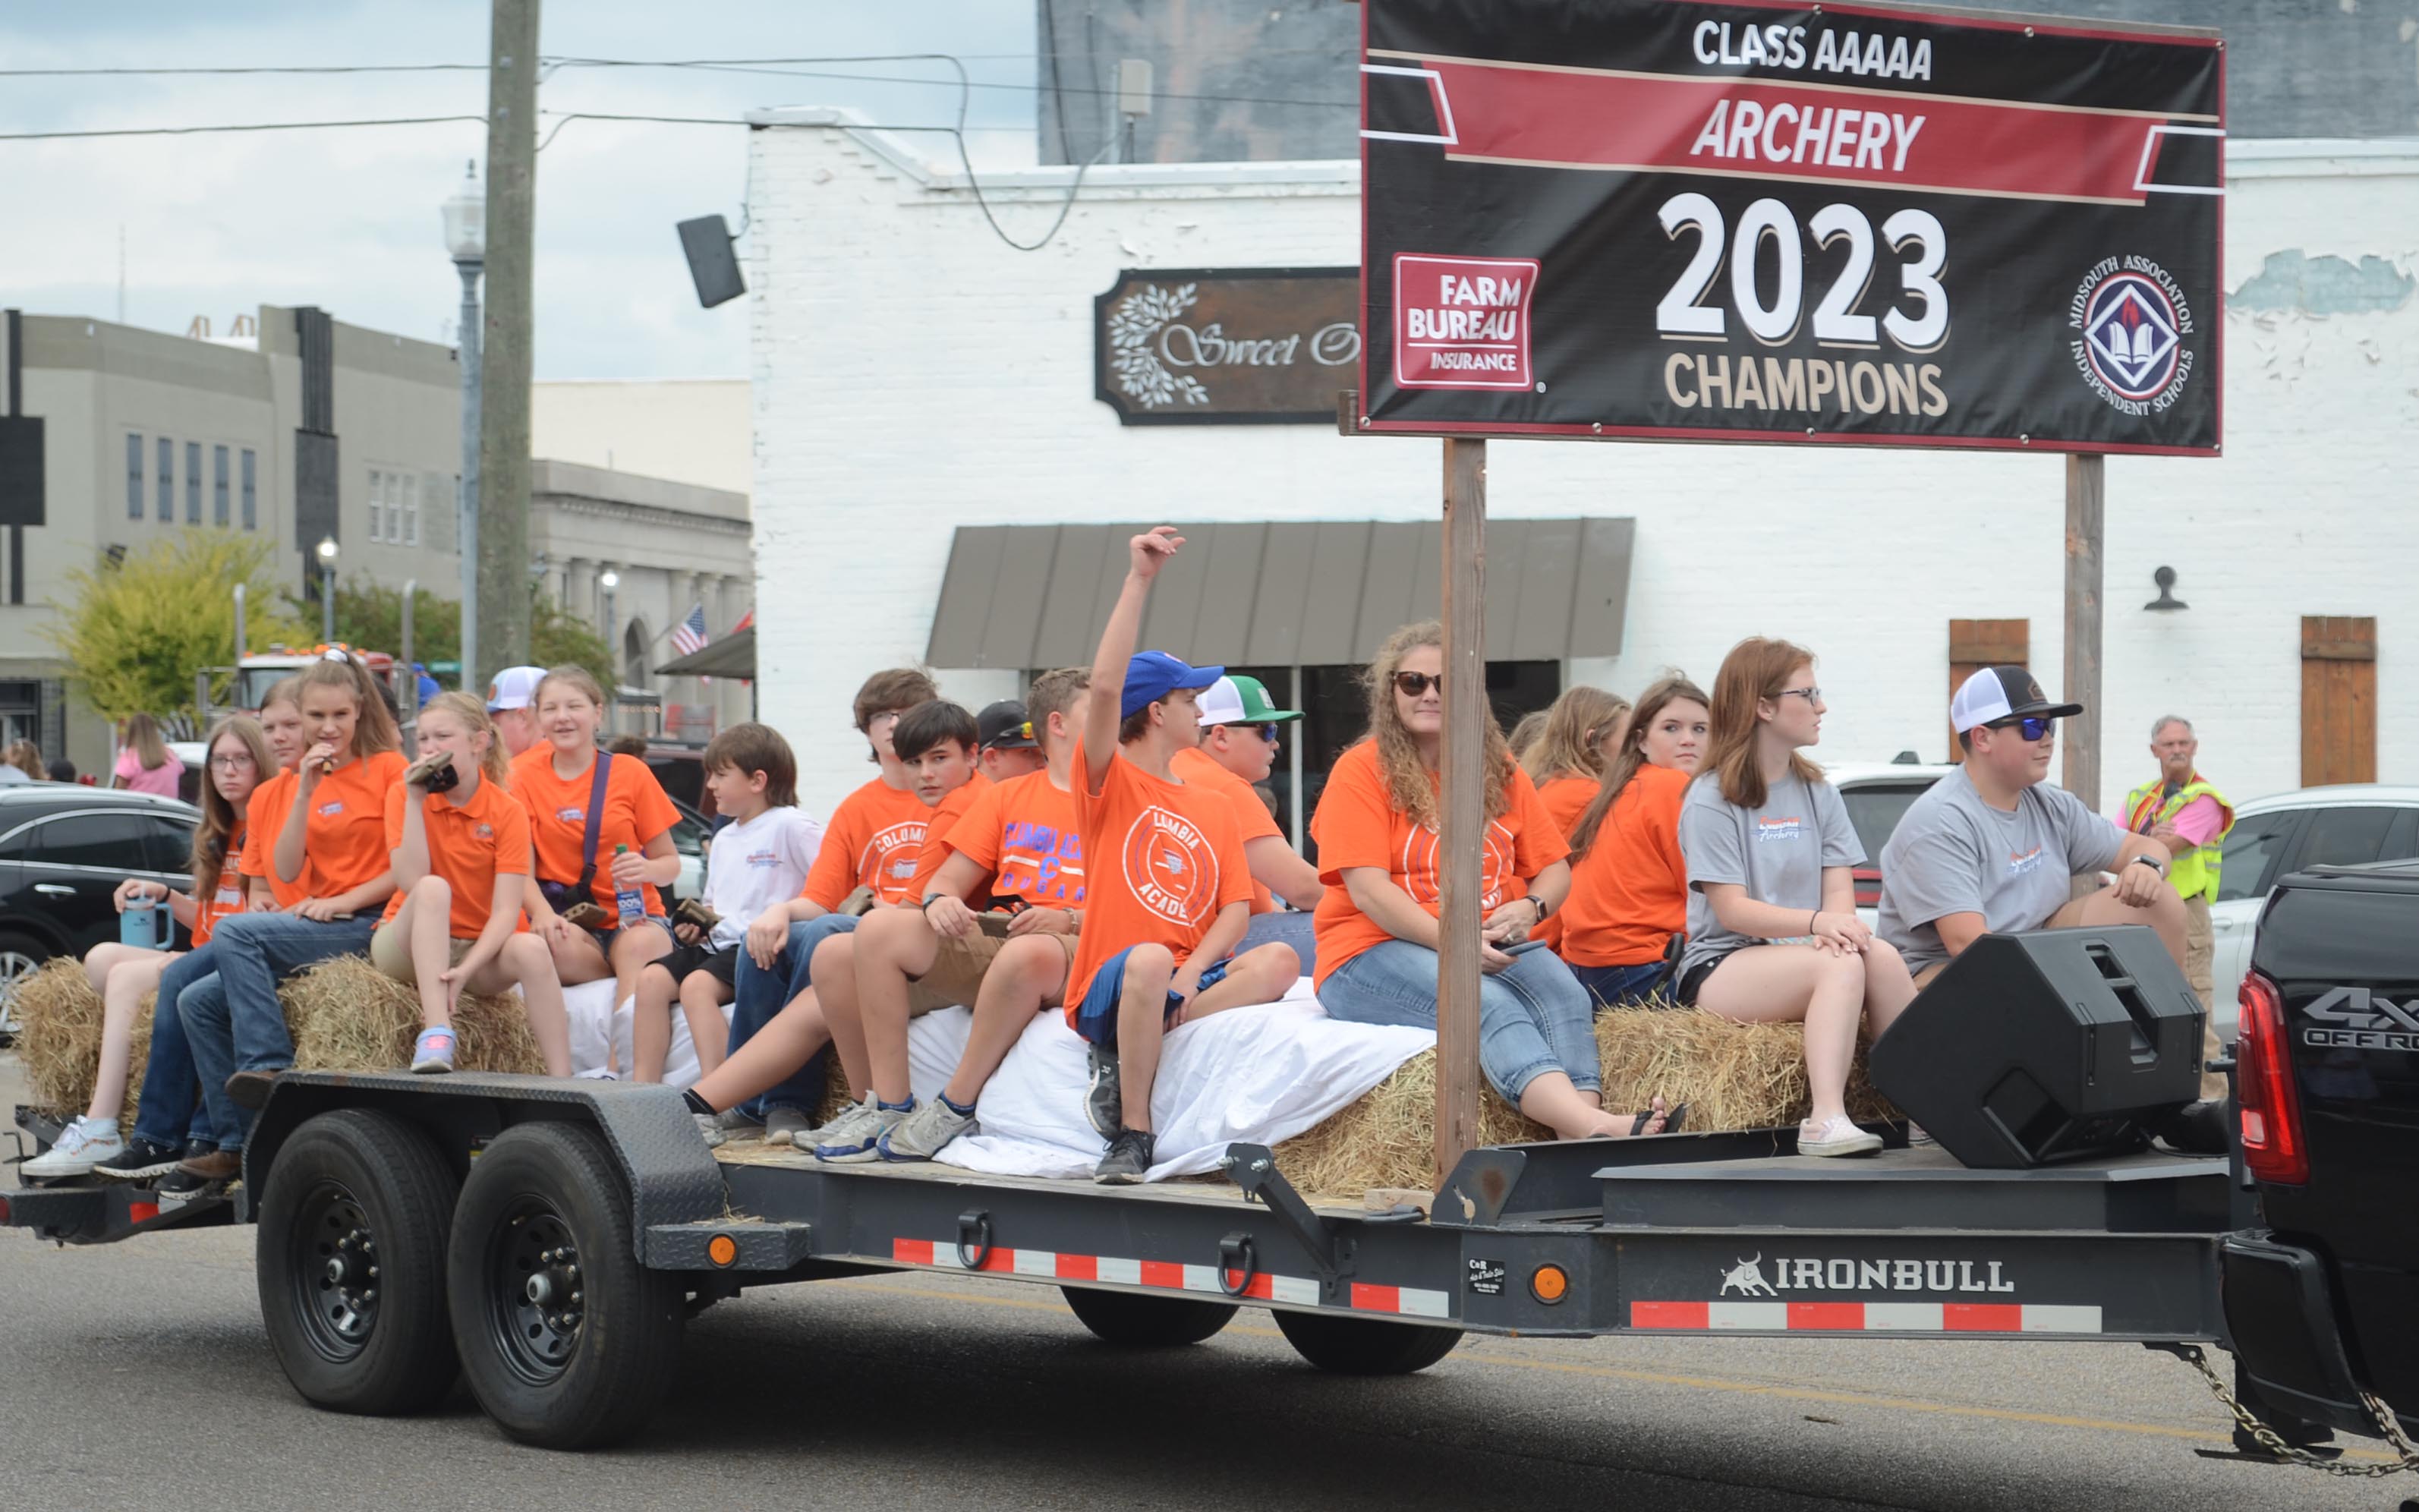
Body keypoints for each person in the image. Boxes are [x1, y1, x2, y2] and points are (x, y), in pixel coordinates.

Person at [1312, 620, 1668, 1145]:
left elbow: (1553, 868)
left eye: (1446, 683)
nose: (1429, 694)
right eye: (1413, 682)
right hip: (1366, 951)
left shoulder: (1496, 768)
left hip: (1487, 937)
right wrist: (1454, 945)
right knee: (1483, 1003)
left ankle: (1577, 1135)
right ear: (1390, 693)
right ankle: (1591, 1126)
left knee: (1565, 995)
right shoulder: (1360, 770)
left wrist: (1531, 908)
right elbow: (1368, 891)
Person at [1876, 666, 2216, 1151]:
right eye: (2032, 727)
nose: (2048, 740)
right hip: (1943, 982)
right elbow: (1970, 948)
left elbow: (2147, 848)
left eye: (2051, 726)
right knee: (2004, 966)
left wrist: (2145, 863)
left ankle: (2165, 1090)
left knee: (2157, 899)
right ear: (1982, 737)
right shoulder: (1940, 821)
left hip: (2033, 954)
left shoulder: (2049, 804)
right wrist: (2078, 993)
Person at [1064, 528, 1299, 1183]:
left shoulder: (1214, 801)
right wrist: (1139, 579)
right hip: (1115, 978)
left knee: (1278, 958)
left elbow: (1232, 908)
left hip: (1181, 980)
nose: (1199, 709)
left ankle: (1136, 1045)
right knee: (1148, 957)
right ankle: (1133, 1132)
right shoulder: (1107, 780)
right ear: (1154, 712)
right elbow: (1105, 686)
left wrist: (1192, 973)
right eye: (1189, 700)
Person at [804, 671, 1091, 1162]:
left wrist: (1069, 918)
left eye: (936, 759)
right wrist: (943, 902)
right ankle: (882, 1104)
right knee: (838, 948)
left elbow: (1146, 904)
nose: (925, 773)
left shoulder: (1128, 797)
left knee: (1027, 952)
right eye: (1101, 711)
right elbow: (941, 884)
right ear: (1059, 725)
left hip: (1076, 940)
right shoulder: (1007, 796)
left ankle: (953, 1105)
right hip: (1005, 934)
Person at [680, 696, 983, 1143]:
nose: (926, 772)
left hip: (921, 937)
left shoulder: (968, 803)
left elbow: (927, 901)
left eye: (938, 758)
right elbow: (821, 896)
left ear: (973, 754)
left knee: (830, 943)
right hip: (890, 931)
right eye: (915, 760)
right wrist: (777, 911)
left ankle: (788, 1102)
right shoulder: (863, 806)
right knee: (777, 938)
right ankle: (764, 1105)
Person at [1676, 639, 1913, 1158]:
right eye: (1807, 694)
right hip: (1723, 963)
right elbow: (1732, 910)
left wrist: (1840, 930)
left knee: (1884, 957)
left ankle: (1927, 1102)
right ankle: (1824, 1117)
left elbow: (1838, 888)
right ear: (1763, 706)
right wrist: (1820, 927)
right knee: (1838, 969)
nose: (1820, 706)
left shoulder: (1818, 791)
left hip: (1802, 949)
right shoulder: (1709, 799)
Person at [177, 654, 407, 1187]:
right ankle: (239, 1145)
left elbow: (408, 869)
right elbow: (283, 870)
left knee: (233, 932)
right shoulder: (298, 782)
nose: (328, 728)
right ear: (301, 718)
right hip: (319, 922)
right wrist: (305, 791)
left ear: (358, 713)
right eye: (316, 717)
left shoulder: (390, 770)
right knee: (197, 1002)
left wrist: (344, 900)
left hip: (373, 920)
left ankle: (270, 1064)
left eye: (340, 716)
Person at [24, 717, 272, 1178]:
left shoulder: (265, 825)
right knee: (100, 957)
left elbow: (256, 922)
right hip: (205, 951)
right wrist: (163, 893)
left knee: (126, 976)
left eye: (243, 760)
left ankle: (101, 1125)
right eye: (221, 760)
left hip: (232, 959)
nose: (230, 770)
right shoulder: (217, 830)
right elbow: (206, 921)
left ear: (262, 765)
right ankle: (115, 1096)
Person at [372, 691, 571, 1076]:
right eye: (424, 739)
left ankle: (563, 1080)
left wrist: (466, 970)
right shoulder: (402, 794)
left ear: (479, 742)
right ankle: (437, 1031)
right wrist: (415, 799)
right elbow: (411, 881)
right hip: (406, 944)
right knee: (433, 888)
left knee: (531, 947)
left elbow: (506, 912)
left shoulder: (507, 810)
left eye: (442, 737)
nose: (430, 749)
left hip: (474, 952)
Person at [629, 723, 824, 1083]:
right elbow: (713, 905)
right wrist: (695, 928)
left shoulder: (793, 826)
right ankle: (643, 1089)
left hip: (762, 948)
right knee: (651, 980)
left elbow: (829, 890)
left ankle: (716, 1094)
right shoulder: (723, 838)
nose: (710, 786)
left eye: (720, 775)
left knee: (696, 986)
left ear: (757, 780)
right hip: (719, 943)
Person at [511, 666, 681, 1069]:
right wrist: (543, 915)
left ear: (598, 713)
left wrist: (646, 869)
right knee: (545, 943)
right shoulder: (520, 776)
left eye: (574, 706)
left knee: (639, 946)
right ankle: (558, 1073)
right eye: (550, 708)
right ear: (538, 719)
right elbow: (518, 867)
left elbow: (670, 864)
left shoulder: (631, 772)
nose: (563, 717)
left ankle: (619, 1067)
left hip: (634, 920)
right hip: (572, 927)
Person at [1558, 673, 1710, 1009]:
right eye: (1671, 728)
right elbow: (1707, 896)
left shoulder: (1619, 787)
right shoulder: (1672, 787)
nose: (1688, 739)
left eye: (1700, 729)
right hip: (1647, 968)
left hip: (1588, 971)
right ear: (1640, 741)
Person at [1173, 674, 1322, 962]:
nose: (1276, 743)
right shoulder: (1223, 785)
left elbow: (1262, 906)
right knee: (1364, 928)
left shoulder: (1172, 767)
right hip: (1207, 949)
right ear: (1220, 736)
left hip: (1170, 944)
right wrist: (1383, 901)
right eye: (1267, 730)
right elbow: (1304, 889)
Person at [2126, 716, 2235, 1102]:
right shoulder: (2141, 797)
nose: (2177, 750)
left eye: (2184, 743)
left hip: (2186, 915)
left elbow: (2168, 847)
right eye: (2169, 744)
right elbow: (2112, 846)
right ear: (2154, 750)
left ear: (2194, 747)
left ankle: (2213, 1106)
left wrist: (2142, 841)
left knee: (2194, 1012)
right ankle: (2163, 1101)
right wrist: (2145, 838)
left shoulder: (2204, 798)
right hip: (2143, 913)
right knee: (2148, 1009)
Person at [1521, 685, 1633, 840]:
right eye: (1628, 739)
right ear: (1594, 740)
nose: (1636, 747)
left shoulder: (1550, 782)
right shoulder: (1588, 795)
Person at [973, 701, 1049, 783]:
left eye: (1044, 755)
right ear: (992, 757)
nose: (1043, 764)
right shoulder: (962, 794)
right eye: (1028, 752)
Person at [484, 664, 550, 759]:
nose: (490, 735)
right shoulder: (567, 763)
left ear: (523, 717)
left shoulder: (521, 770)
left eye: (496, 724)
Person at [113, 712, 183, 796]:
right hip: (169, 808)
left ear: (131, 732)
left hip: (139, 808)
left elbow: (119, 794)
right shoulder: (171, 756)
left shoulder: (129, 757)